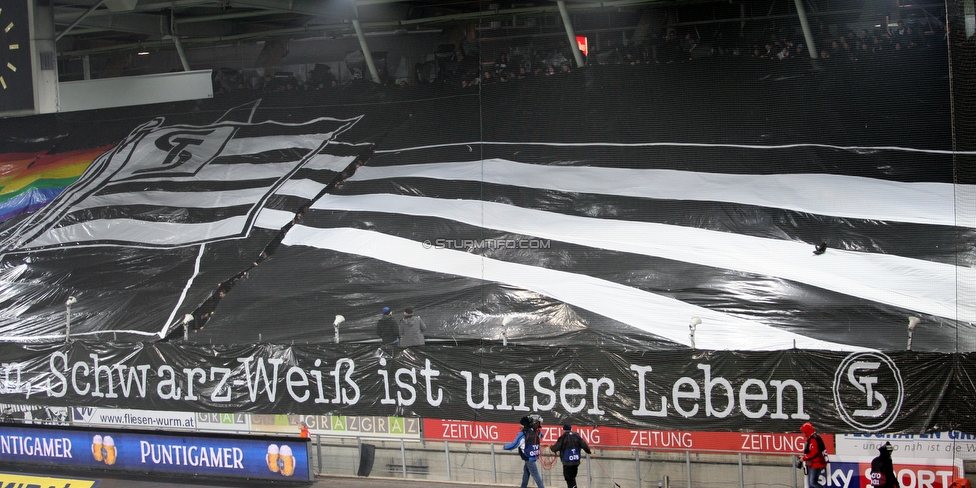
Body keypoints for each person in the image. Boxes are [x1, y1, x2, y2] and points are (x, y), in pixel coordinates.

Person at [504, 415, 545, 488]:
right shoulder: (537, 432)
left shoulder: (523, 433)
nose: (520, 426)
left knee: (535, 474)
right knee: (526, 471)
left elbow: (514, 444)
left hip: (528, 457)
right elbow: (541, 435)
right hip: (534, 455)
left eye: (521, 424)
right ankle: (523, 486)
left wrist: (505, 447)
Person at [550, 424, 591, 488]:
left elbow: (555, 448)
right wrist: (588, 451)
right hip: (576, 461)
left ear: (564, 429)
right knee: (572, 478)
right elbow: (584, 445)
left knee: (569, 479)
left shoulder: (563, 437)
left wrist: (551, 447)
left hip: (567, 463)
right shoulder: (577, 436)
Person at [799, 422, 828, 488]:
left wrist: (804, 458)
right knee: (814, 482)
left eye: (804, 431)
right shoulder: (815, 437)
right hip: (818, 463)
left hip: (816, 464)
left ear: (807, 431)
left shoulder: (813, 439)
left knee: (813, 482)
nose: (804, 433)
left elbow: (813, 453)